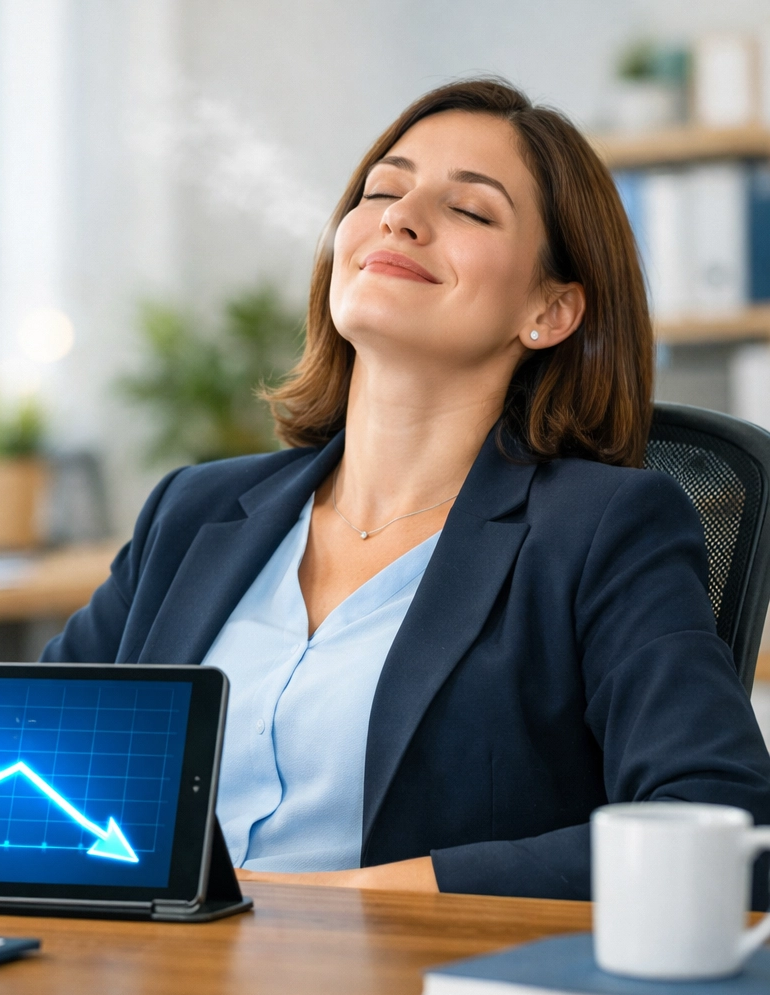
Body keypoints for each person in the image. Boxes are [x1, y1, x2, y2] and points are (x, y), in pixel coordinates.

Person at [43, 79, 770, 901]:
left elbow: (722, 817)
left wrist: (357, 900)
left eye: (470, 210)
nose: (400, 216)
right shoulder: (193, 510)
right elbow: (32, 765)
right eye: (383, 189)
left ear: (551, 309)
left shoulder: (602, 527)